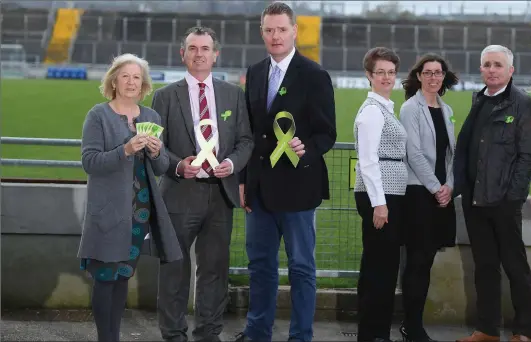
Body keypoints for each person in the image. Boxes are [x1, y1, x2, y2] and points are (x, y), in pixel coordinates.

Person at [234, 2, 336, 342]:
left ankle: (300, 336)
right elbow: (248, 134)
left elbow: (326, 133)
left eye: (281, 29)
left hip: (298, 189)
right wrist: (244, 180)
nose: (275, 35)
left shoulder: (314, 75)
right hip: (259, 190)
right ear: (261, 32)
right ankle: (257, 332)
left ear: (294, 31)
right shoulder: (255, 71)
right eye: (268, 30)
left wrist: (306, 149)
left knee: (301, 269)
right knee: (260, 267)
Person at [151, 26, 254, 342]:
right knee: (174, 269)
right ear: (183, 54)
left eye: (205, 48)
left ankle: (209, 332)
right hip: (180, 193)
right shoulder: (165, 96)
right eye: (193, 48)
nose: (199, 54)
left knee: (214, 269)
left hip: (219, 195)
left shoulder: (233, 94)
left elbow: (245, 140)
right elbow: (156, 146)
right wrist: (178, 166)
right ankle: (173, 333)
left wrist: (233, 164)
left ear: (215, 54)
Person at [77, 53, 183, 342]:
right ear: (113, 80)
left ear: (144, 84)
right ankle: (106, 338)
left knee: (123, 274)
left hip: (140, 211)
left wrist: (156, 151)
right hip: (110, 210)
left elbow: (161, 168)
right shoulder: (98, 115)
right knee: (105, 276)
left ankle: (114, 336)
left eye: (136, 77)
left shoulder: (150, 117)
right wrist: (125, 150)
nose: (131, 82)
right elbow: (90, 162)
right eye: (125, 76)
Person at [452, 45, 531, 342]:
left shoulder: (524, 105)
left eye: (498, 65)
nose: (491, 70)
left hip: (503, 202)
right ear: (481, 69)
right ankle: (487, 330)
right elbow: (468, 150)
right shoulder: (479, 100)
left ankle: (523, 331)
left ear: (510, 71)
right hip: (475, 201)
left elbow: (527, 157)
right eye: (487, 65)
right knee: (485, 268)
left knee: (515, 267)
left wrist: (512, 197)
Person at [398, 53, 459, 342]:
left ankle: (414, 325)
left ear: (444, 77)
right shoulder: (411, 108)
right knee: (417, 262)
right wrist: (437, 188)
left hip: (439, 196)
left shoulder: (445, 110)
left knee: (426, 262)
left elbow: (450, 156)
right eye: (429, 72)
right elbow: (414, 153)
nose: (434, 77)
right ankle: (412, 327)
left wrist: (448, 185)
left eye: (438, 72)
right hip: (419, 195)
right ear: (419, 76)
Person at [352, 46, 407, 342]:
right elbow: (369, 160)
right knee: (380, 267)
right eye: (380, 72)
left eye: (390, 72)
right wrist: (380, 204)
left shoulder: (385, 107)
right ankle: (373, 334)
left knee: (382, 264)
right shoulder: (372, 112)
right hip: (381, 196)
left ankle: (375, 332)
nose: (386, 77)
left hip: (388, 194)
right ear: (369, 76)